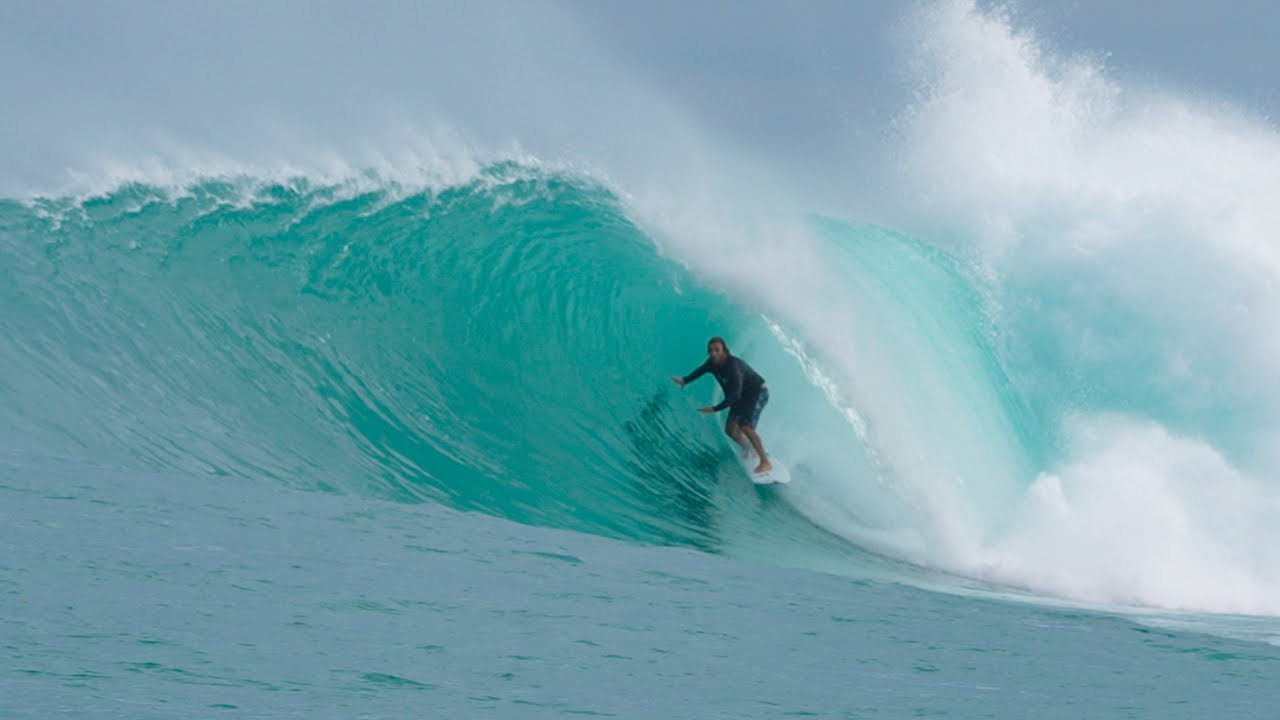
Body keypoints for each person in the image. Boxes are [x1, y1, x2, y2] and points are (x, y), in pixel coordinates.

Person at [672, 336, 772, 473]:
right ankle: (751, 449)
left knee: (745, 426)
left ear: (725, 351)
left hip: (757, 391)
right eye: (710, 350)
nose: (713, 353)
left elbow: (735, 396)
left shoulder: (733, 367)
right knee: (730, 430)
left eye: (717, 350)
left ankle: (765, 462)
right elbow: (700, 370)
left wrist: (714, 409)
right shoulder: (712, 363)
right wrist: (685, 380)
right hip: (741, 395)